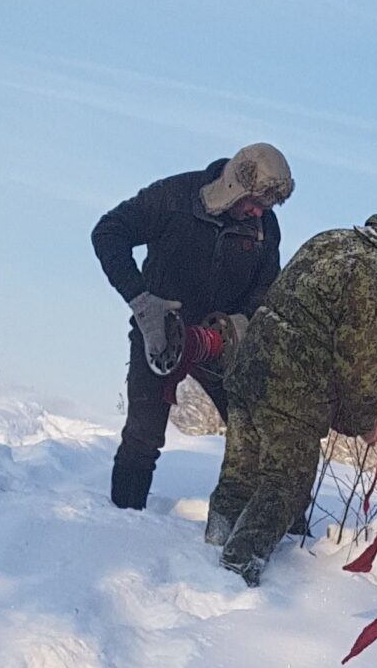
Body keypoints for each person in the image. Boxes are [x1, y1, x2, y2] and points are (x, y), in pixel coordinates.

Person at [204, 213, 377, 585]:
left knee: (240, 474)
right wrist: (365, 422)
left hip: (249, 368)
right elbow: (359, 357)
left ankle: (209, 551)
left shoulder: (333, 239)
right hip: (292, 387)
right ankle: (233, 576)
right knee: (286, 484)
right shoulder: (376, 277)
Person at [92, 145, 295, 510]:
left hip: (220, 342)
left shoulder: (265, 230)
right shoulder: (176, 197)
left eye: (267, 207)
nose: (258, 212)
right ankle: (121, 520)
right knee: (143, 435)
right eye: (255, 202)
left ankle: (263, 530)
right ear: (235, 184)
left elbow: (267, 290)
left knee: (253, 431)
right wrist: (141, 301)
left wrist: (240, 322)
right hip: (158, 333)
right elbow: (109, 231)